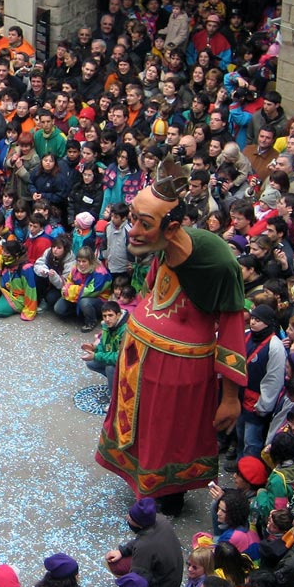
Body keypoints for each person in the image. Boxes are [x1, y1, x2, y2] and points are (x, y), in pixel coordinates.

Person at [95, 176, 247, 516]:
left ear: (172, 227)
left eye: (144, 224)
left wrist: (230, 397)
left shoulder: (219, 264)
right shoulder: (162, 246)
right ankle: (141, 481)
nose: (133, 231)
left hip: (179, 369)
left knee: (167, 433)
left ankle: (168, 493)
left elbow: (232, 328)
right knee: (142, 428)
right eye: (133, 219)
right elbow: (152, 289)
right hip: (139, 356)